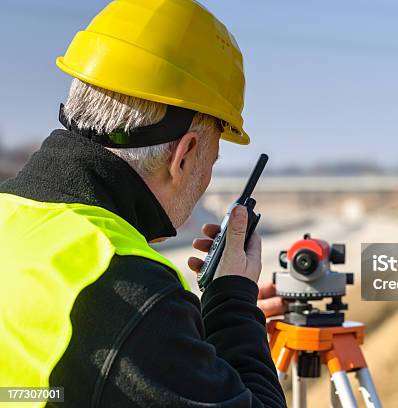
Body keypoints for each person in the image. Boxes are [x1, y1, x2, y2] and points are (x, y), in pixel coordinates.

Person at [0, 1, 287, 407]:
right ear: (184, 155)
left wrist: (187, 337)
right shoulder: (127, 289)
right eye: (212, 159)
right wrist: (232, 304)